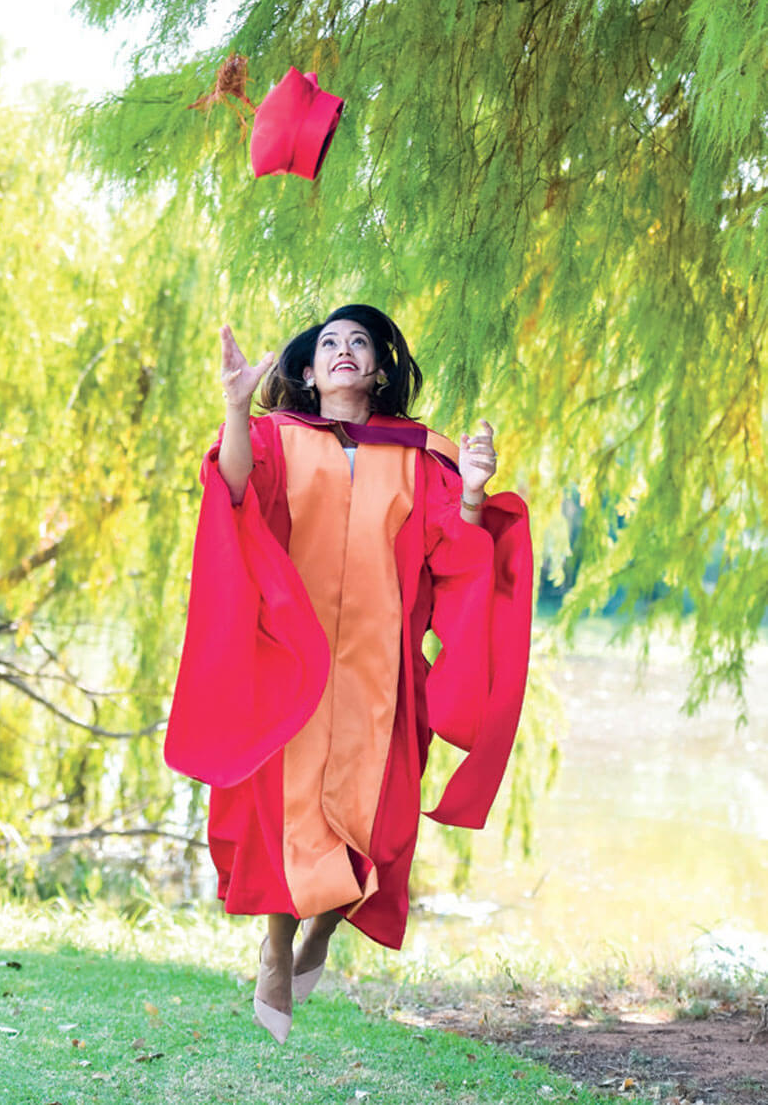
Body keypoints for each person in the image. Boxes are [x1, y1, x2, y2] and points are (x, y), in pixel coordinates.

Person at [165, 304, 532, 1044]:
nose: (342, 351)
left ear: (378, 369)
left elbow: (451, 549)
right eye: (328, 342)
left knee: (379, 822)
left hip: (380, 668)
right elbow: (234, 490)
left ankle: (324, 930)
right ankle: (274, 948)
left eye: (358, 342)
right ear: (306, 370)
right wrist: (236, 407)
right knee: (284, 815)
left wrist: (471, 490)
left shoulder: (420, 454)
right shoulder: (274, 438)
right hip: (294, 665)